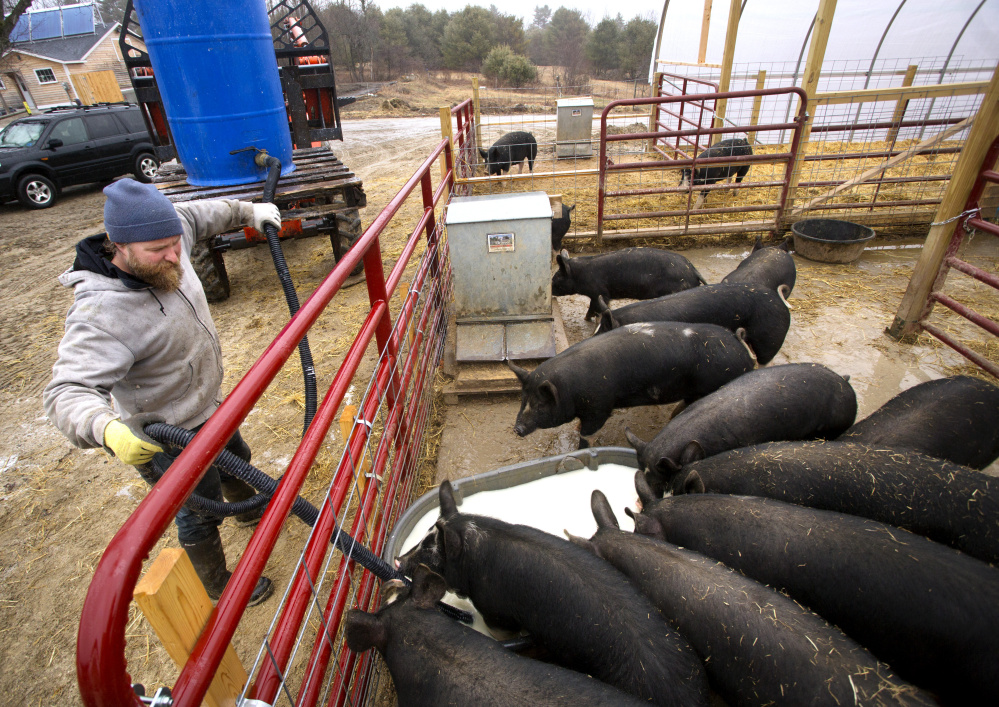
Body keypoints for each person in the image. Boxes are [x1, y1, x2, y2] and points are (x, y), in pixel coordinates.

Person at [43, 178, 283, 605]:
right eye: (158, 251)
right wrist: (106, 429)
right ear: (120, 246)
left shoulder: (169, 238)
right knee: (199, 510)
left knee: (236, 462)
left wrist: (249, 212)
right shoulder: (100, 314)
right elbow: (67, 390)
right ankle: (217, 585)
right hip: (167, 432)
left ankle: (248, 509)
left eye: (175, 244)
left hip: (209, 404)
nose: (174, 256)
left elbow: (196, 216)